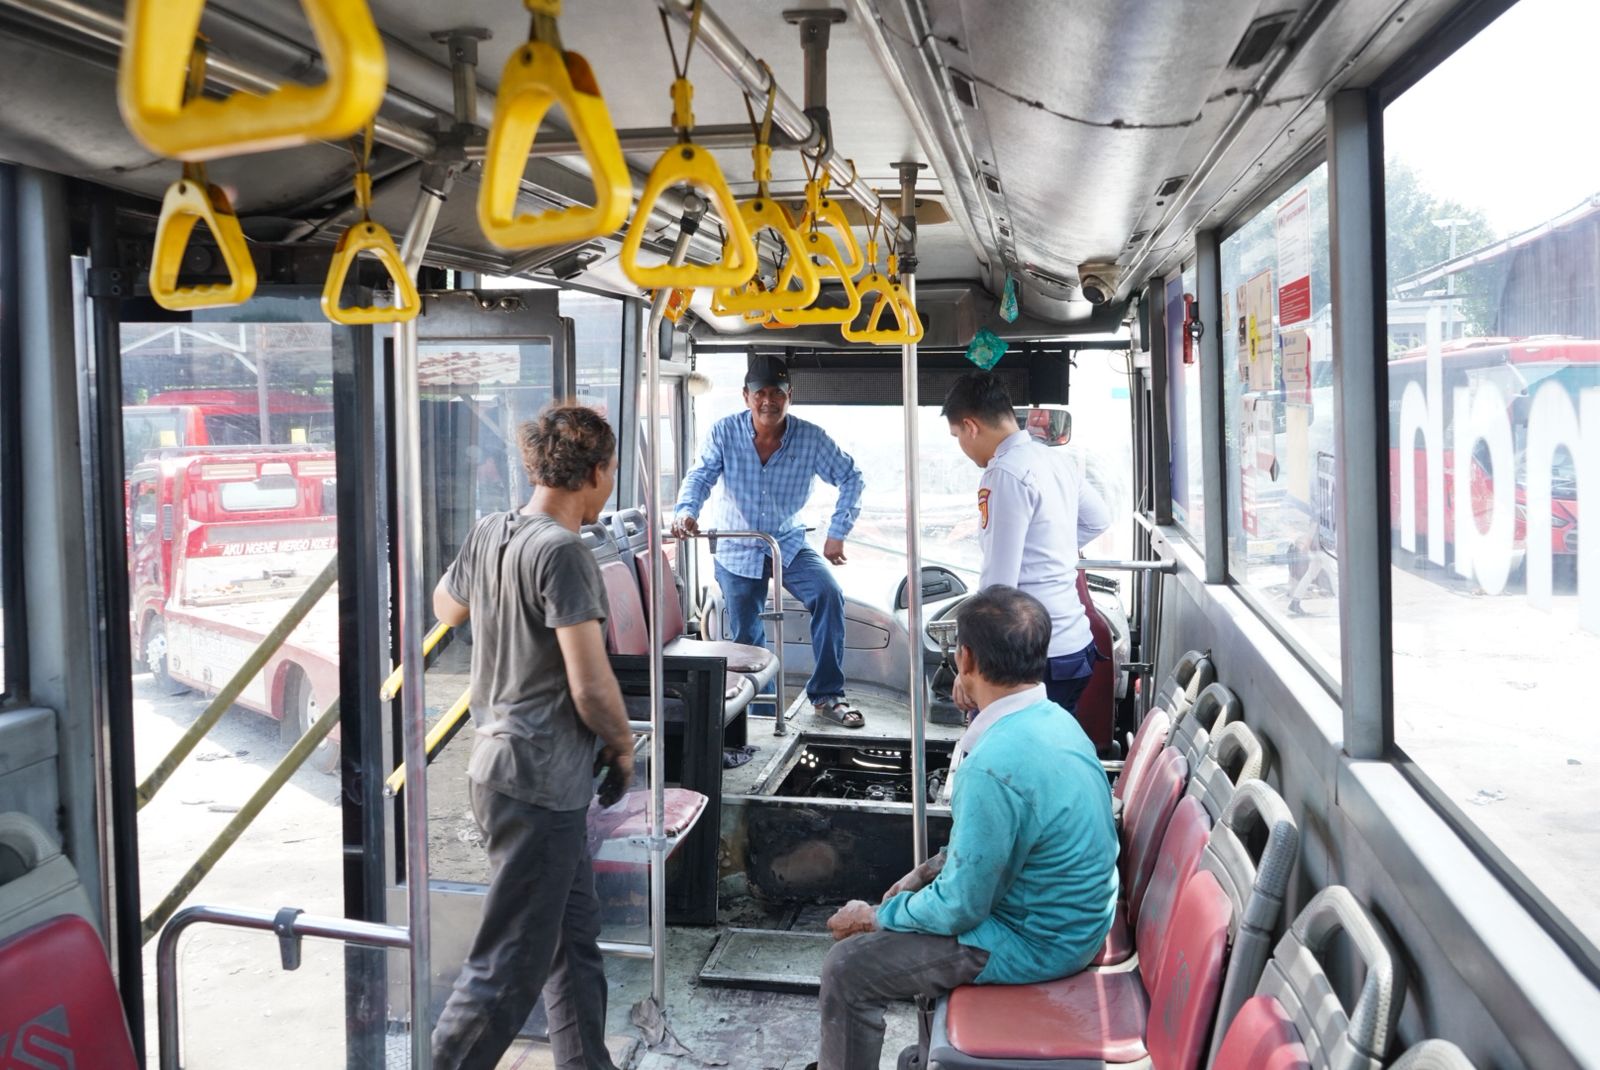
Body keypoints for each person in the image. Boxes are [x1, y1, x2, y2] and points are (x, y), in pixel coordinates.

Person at [813, 586, 1120, 1070]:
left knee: (849, 968)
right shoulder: (1057, 722)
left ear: (966, 658)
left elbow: (961, 906)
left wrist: (876, 917)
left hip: (1040, 942)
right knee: (911, 909)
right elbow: (999, 845)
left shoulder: (993, 764)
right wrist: (923, 874)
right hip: (1074, 920)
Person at [430, 405, 634, 1070]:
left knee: (572, 943)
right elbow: (591, 684)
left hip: (502, 769)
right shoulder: (565, 553)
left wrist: (502, 598)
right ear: (596, 472)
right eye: (611, 471)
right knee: (509, 966)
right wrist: (622, 745)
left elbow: (447, 606)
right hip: (538, 780)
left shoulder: (493, 531)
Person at [673, 353, 868, 728]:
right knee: (747, 635)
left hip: (786, 542)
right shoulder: (724, 433)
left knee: (828, 594)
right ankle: (756, 713)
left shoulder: (811, 438)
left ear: (789, 395)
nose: (768, 401)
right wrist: (686, 512)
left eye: (776, 392)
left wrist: (837, 532)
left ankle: (827, 694)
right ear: (746, 396)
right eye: (760, 393)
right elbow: (700, 477)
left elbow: (851, 477)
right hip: (737, 546)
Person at [942, 371, 1112, 715]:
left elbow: (998, 585)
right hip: (1075, 647)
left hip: (1031, 655)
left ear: (971, 426)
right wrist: (1051, 553)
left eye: (957, 435)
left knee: (1001, 743)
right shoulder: (1056, 459)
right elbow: (1098, 520)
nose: (962, 446)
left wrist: (968, 664)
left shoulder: (1004, 473)